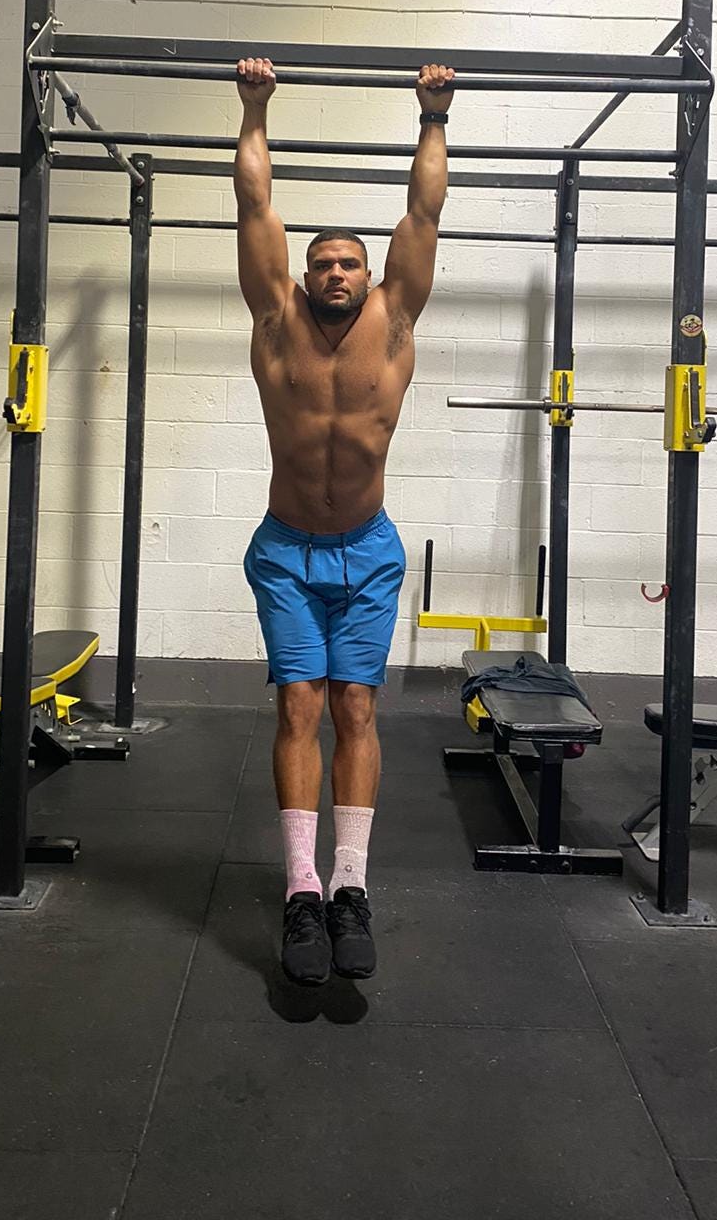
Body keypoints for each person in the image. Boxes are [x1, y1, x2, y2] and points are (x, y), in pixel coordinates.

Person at [235, 55, 453, 986]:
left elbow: (424, 214)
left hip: (368, 549)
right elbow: (253, 209)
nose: (333, 272)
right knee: (299, 705)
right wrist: (254, 106)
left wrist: (433, 119)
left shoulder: (395, 322)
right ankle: (300, 889)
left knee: (358, 707)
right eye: (321, 261)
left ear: (370, 276)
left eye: (347, 263)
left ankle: (351, 884)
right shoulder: (274, 320)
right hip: (286, 550)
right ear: (302, 274)